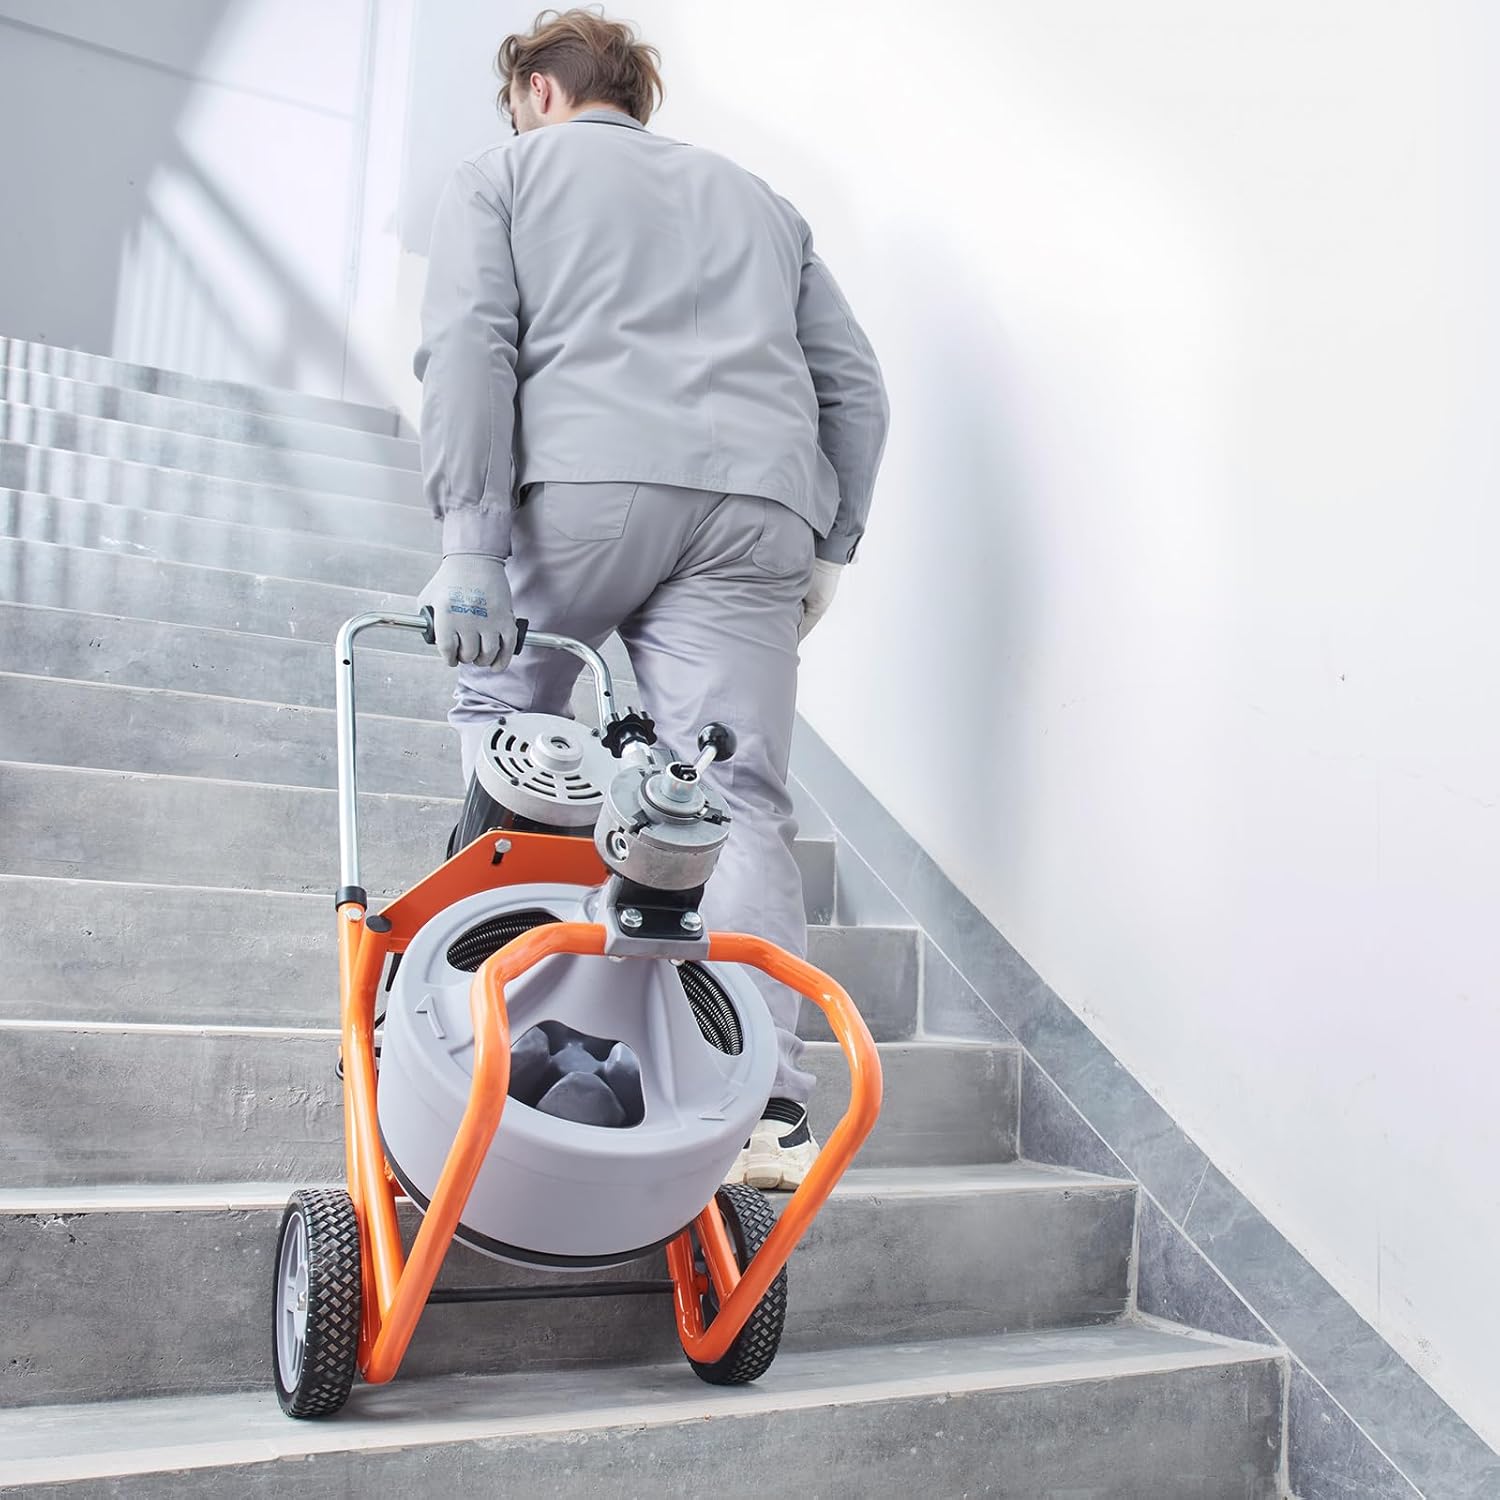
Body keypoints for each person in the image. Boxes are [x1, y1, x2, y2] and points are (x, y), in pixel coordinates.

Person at [413, 7, 888, 1189]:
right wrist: (830, 543)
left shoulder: (503, 173)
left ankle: (500, 1023)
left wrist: (472, 543)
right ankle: (764, 1105)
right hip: (756, 518)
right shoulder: (763, 204)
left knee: (513, 730)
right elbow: (857, 391)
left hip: (580, 491)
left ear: (538, 88)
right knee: (735, 794)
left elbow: (472, 346)